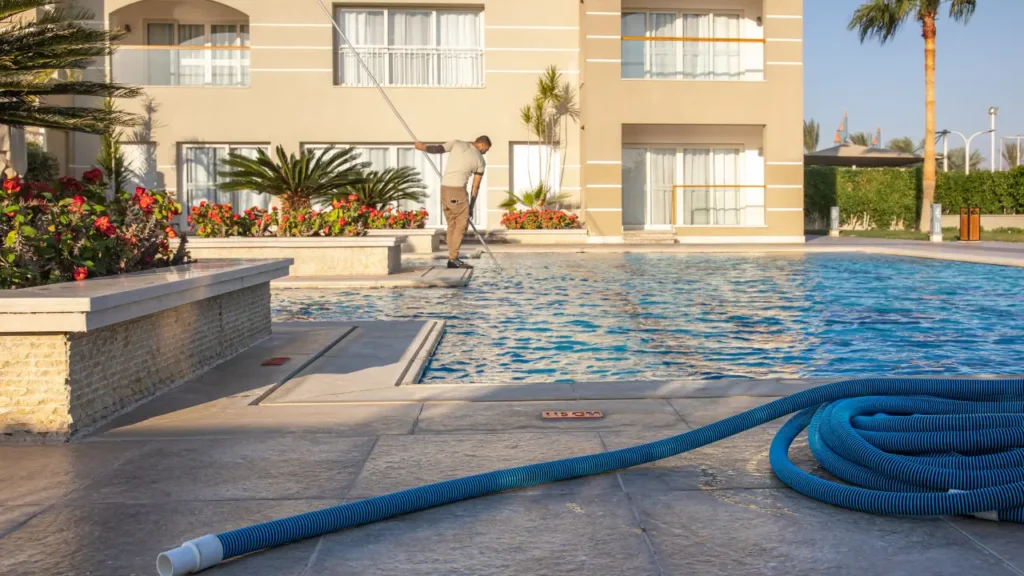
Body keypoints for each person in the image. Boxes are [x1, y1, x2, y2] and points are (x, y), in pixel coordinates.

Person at [414, 135, 491, 269]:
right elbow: (475, 186)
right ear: (482, 145)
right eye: (486, 149)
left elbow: (438, 149)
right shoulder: (480, 160)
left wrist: (422, 148)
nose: (485, 152)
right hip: (458, 192)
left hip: (444, 190)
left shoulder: (457, 143)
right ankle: (453, 259)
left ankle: (452, 258)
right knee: (461, 225)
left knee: (452, 225)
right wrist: (471, 206)